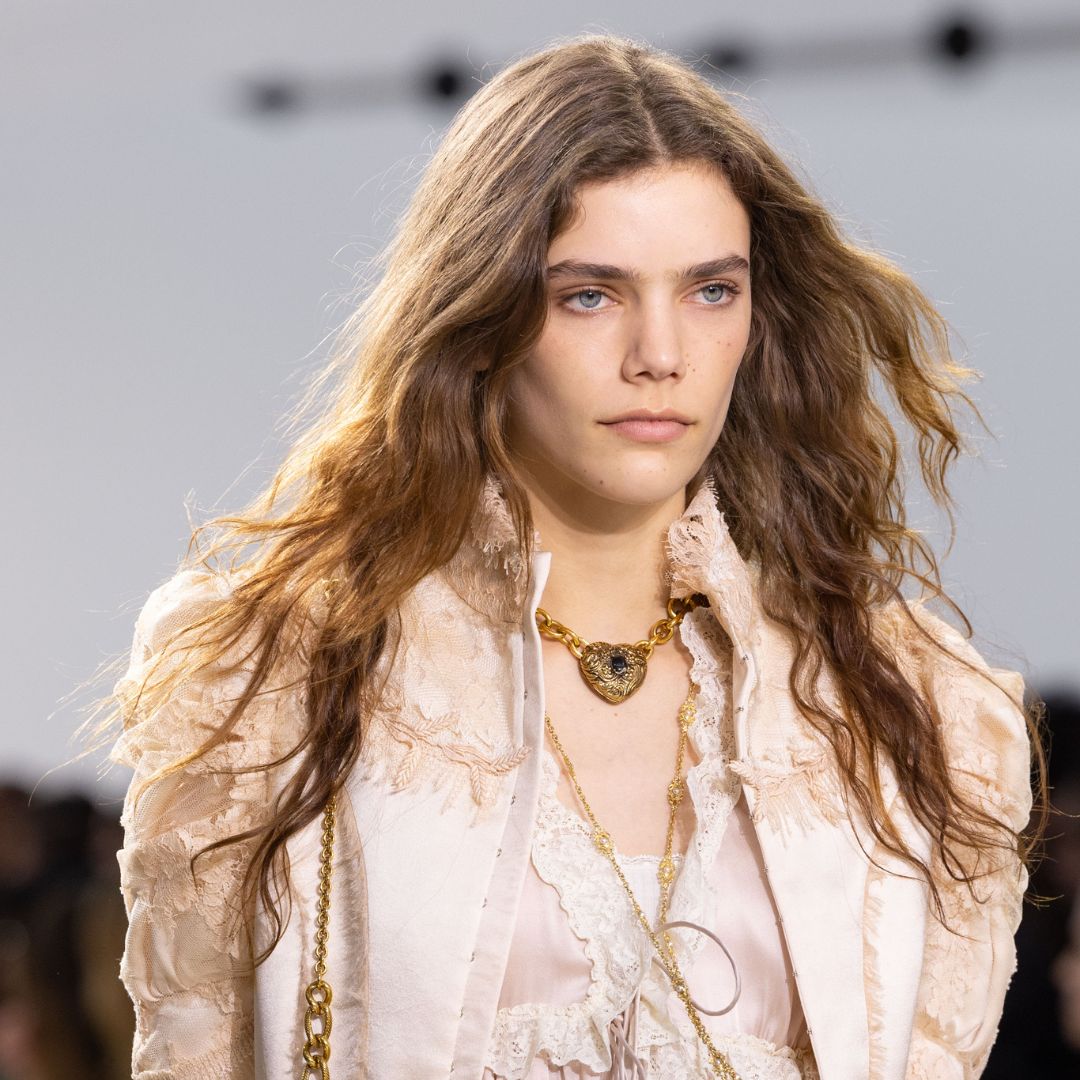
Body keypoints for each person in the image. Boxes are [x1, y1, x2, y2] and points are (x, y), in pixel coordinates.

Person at [98, 33, 1043, 1080]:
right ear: (482, 316)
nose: (660, 355)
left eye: (711, 291)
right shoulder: (276, 678)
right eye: (590, 294)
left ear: (758, 316)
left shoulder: (913, 709)